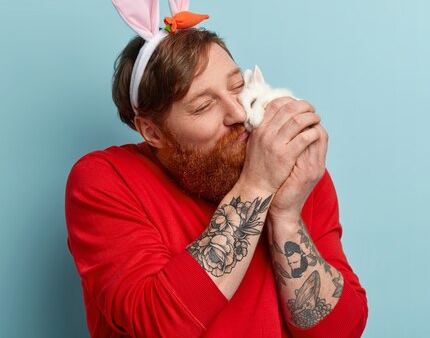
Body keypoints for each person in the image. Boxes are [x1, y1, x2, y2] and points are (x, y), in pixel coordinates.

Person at [64, 28, 368, 338]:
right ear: (152, 132)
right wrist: (258, 186)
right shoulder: (106, 179)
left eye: (238, 86)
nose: (239, 112)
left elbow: (341, 331)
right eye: (203, 106)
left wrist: (286, 216)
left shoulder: (295, 171)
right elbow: (156, 326)